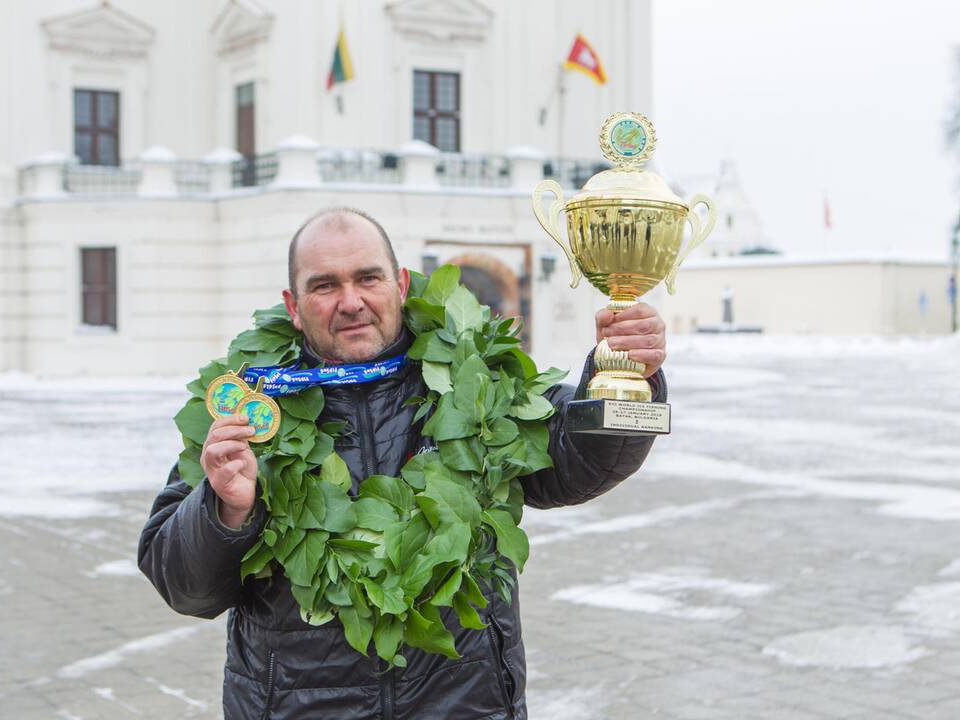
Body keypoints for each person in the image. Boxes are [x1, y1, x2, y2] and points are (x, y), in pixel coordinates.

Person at [138, 207, 668, 720]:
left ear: (402, 286)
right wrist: (226, 511)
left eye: (368, 278)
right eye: (324, 286)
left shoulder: (479, 379)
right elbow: (184, 585)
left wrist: (624, 376)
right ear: (293, 305)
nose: (351, 302)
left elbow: (581, 462)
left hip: (463, 701)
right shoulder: (248, 406)